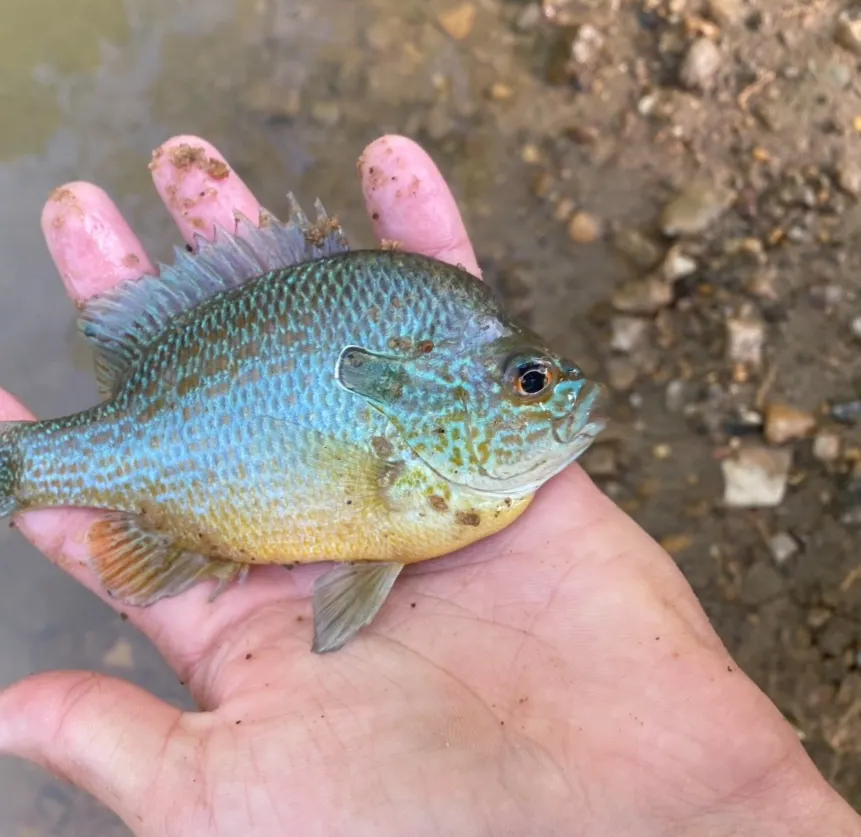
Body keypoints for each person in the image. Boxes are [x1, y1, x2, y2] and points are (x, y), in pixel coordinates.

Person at [0, 133, 857, 837]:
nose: (554, 396)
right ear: (423, 389)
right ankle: (22, 466)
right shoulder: (420, 463)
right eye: (528, 382)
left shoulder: (438, 463)